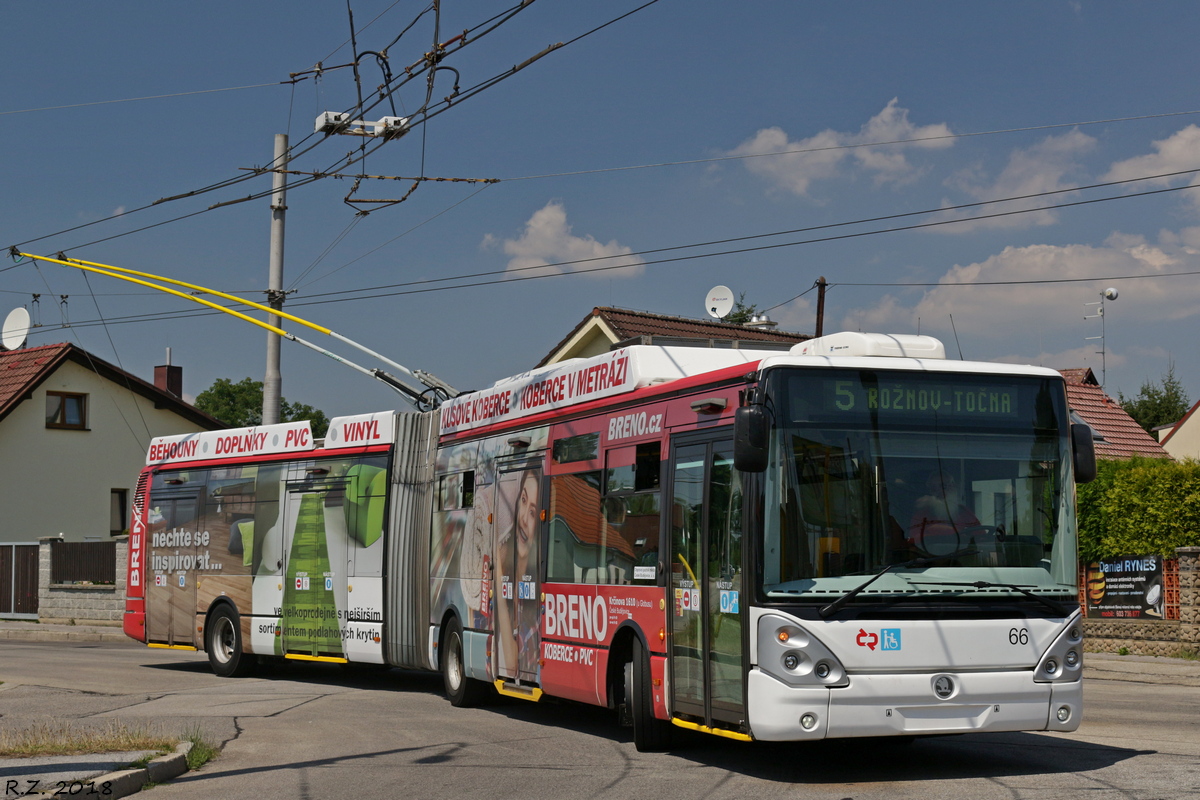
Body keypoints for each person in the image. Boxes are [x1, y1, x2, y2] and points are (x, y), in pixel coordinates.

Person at [495, 470, 540, 680]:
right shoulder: (501, 559)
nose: (523, 517)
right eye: (523, 500)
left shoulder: (539, 609)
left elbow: (512, 668)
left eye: (533, 512)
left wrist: (498, 578)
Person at [907, 469, 979, 556]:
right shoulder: (921, 515)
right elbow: (915, 540)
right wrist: (956, 533)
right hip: (932, 562)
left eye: (945, 486)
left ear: (953, 486)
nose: (941, 491)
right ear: (930, 490)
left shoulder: (964, 512)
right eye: (934, 487)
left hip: (965, 560)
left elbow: (980, 537)